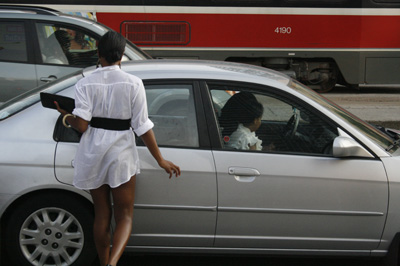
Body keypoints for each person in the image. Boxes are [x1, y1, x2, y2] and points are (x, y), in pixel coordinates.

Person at [54, 31, 180, 266]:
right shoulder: (134, 84)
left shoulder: (84, 82)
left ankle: (104, 263)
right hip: (121, 153)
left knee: (102, 214)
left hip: (93, 152)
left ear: (98, 54)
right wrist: (160, 159)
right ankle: (113, 264)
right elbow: (142, 127)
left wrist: (66, 116)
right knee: (125, 216)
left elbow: (81, 125)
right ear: (122, 55)